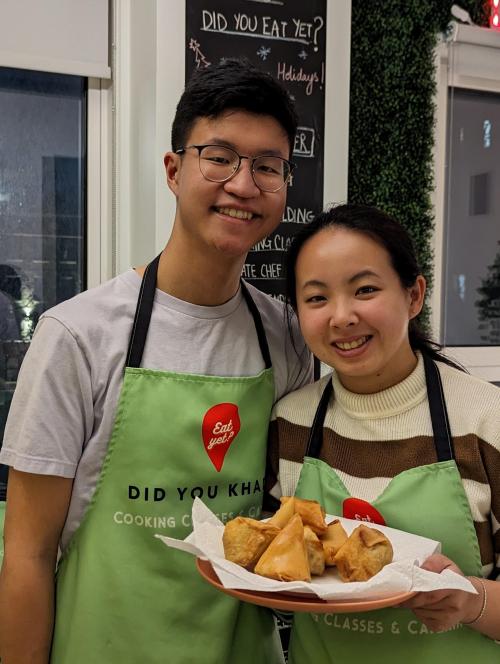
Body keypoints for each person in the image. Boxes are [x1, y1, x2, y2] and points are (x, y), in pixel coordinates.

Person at [0, 59, 313, 664]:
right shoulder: (77, 336)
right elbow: (28, 555)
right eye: (219, 157)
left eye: (267, 166)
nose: (243, 184)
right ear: (174, 170)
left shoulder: (288, 337)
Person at [266, 203, 500, 663]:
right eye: (317, 298)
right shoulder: (290, 422)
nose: (341, 316)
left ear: (414, 295)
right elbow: (270, 567)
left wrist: (472, 601)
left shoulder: (485, 421)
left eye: (365, 290)